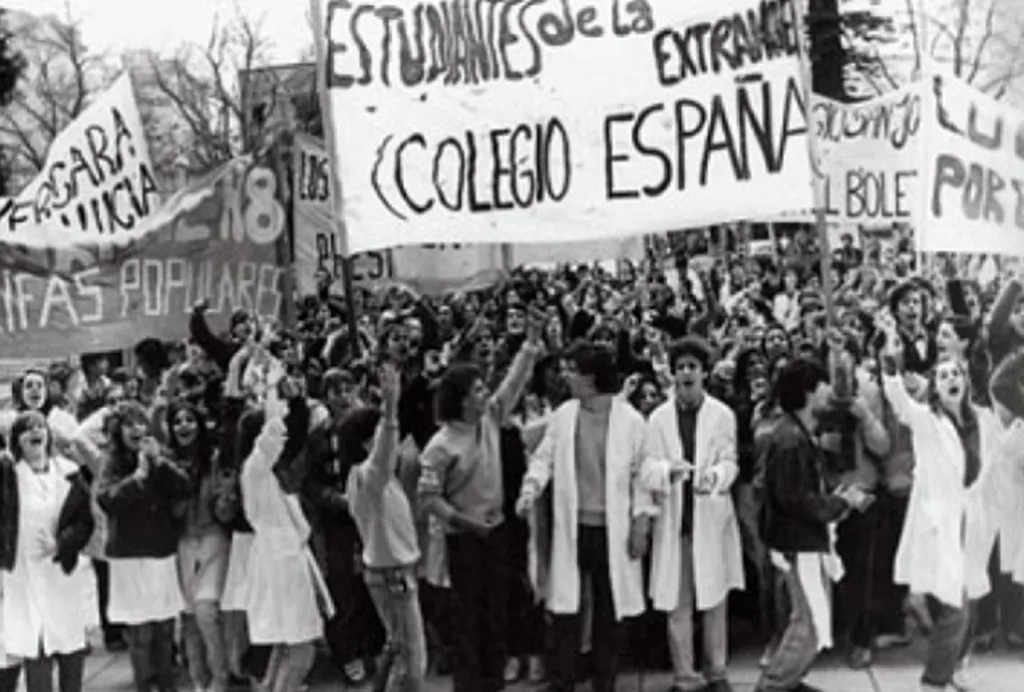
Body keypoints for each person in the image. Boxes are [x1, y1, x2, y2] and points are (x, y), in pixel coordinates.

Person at [877, 313, 1016, 691]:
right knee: (955, 610)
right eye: (943, 376)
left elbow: (1003, 454)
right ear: (935, 389)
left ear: (966, 383)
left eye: (956, 374)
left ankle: (950, 665)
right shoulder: (926, 422)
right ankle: (933, 681)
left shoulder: (983, 421)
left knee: (967, 602)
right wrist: (890, 359)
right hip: (938, 527)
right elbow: (899, 402)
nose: (951, 379)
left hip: (971, 524)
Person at [515, 341, 653, 692]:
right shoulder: (564, 415)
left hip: (614, 531)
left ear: (590, 377)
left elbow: (643, 476)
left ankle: (604, 681)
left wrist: (641, 524)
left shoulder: (632, 421)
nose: (566, 376)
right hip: (574, 528)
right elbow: (544, 458)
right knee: (567, 609)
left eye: (572, 370)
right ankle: (563, 680)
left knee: (610, 609)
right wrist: (530, 489)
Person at [417, 312, 543, 692]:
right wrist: (465, 522)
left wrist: (530, 343)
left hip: (497, 535)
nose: (485, 393)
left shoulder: (489, 420)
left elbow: (513, 382)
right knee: (467, 619)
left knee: (497, 614)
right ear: (460, 400)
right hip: (465, 541)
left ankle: (494, 681)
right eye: (476, 390)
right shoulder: (440, 446)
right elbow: (428, 499)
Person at [755, 358, 868, 692]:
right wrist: (842, 502)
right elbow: (797, 499)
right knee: (808, 623)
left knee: (813, 619)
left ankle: (789, 681)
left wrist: (836, 496)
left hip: (802, 541)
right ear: (807, 390)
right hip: (799, 543)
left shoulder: (795, 432)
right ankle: (774, 685)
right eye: (822, 384)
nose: (828, 391)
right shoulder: (790, 438)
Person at [645, 337, 745, 692]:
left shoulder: (722, 415)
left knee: (715, 598)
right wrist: (666, 470)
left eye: (693, 367)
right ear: (672, 374)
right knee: (678, 602)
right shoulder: (657, 419)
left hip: (710, 519)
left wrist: (715, 477)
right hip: (675, 522)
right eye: (681, 367)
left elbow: (731, 461)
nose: (686, 373)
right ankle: (685, 676)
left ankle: (717, 672)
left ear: (704, 373)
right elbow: (644, 468)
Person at [239, 373, 333, 692]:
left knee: (284, 645)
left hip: (285, 561)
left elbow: (288, 435)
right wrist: (271, 389)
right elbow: (274, 435)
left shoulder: (269, 474)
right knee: (302, 650)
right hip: (279, 565)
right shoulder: (255, 468)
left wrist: (291, 399)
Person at [97, 401, 190, 692]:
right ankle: (143, 684)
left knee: (164, 628)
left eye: (141, 422)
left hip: (160, 552)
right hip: (129, 556)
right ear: (118, 431)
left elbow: (184, 486)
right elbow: (107, 499)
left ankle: (167, 683)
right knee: (140, 632)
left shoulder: (160, 455)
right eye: (129, 424)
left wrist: (158, 463)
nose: (137, 429)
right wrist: (136, 478)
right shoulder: (110, 461)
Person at [347, 362, 427, 691]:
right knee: (412, 666)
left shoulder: (377, 479)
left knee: (400, 654)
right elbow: (385, 449)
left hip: (396, 573)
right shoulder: (370, 476)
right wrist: (390, 410)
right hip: (392, 576)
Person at [0, 412, 94, 692]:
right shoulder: (7, 477)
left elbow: (84, 521)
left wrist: (62, 543)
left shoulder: (69, 472)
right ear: (17, 440)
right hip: (22, 575)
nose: (34, 433)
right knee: (35, 645)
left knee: (69, 646)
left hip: (60, 572)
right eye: (26, 429)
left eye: (39, 427)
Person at [167, 401, 231, 692]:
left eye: (189, 419)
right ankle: (198, 679)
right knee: (189, 614)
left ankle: (221, 676)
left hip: (213, 536)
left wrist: (226, 499)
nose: (184, 425)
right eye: (177, 421)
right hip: (182, 541)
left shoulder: (214, 459)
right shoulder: (166, 462)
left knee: (206, 609)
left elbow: (224, 507)